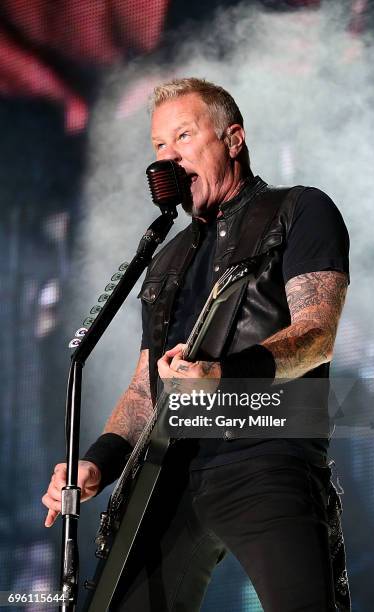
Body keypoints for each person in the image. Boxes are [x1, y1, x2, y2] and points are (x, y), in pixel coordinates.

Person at [42, 78, 350, 611]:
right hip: (169, 469)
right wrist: (97, 461)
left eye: (183, 137)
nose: (168, 158)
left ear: (233, 139)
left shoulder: (298, 210)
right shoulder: (165, 258)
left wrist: (222, 378)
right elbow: (145, 387)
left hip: (266, 453)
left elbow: (316, 334)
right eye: (159, 146)